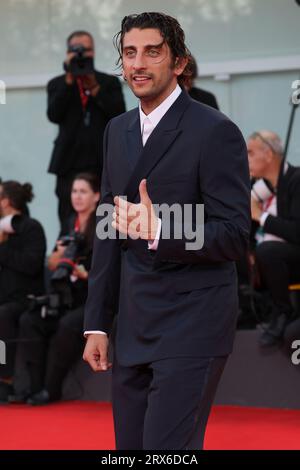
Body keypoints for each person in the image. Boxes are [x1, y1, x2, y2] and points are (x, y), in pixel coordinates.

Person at [83, 12, 250, 450]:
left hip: (193, 320)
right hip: (134, 320)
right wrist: (97, 323)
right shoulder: (116, 131)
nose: (138, 63)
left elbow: (234, 234)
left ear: (178, 63)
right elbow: (107, 228)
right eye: (129, 53)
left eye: (152, 52)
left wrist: (160, 227)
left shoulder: (215, 131)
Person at [11, 173, 100, 405]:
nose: (77, 196)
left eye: (83, 191)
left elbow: (108, 270)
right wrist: (59, 257)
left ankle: (51, 390)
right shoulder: (69, 222)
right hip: (64, 295)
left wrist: (84, 272)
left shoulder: (102, 226)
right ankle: (32, 388)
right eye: (74, 191)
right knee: (31, 320)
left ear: (97, 196)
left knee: (67, 325)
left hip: (89, 297)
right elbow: (52, 263)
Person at [47, 30, 126, 227]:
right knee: (67, 214)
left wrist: (95, 88)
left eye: (86, 50)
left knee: (105, 215)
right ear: (67, 53)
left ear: (94, 52)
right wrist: (68, 81)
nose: (82, 54)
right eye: (76, 50)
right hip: (68, 162)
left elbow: (119, 115)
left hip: (102, 161)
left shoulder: (108, 82)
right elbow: (53, 115)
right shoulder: (57, 83)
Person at [247, 130, 300, 347]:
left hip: (294, 254)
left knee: (268, 250)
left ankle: (283, 310)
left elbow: (297, 233)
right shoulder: (261, 188)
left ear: (268, 155)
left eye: (250, 153)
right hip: (276, 258)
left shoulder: (296, 180)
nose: (245, 159)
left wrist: (261, 216)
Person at [0, 181, 46, 402]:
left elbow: (31, 264)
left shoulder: (31, 227)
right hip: (6, 299)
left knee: (4, 315)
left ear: (6, 201)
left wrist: (2, 248)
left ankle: (4, 381)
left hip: (26, 300)